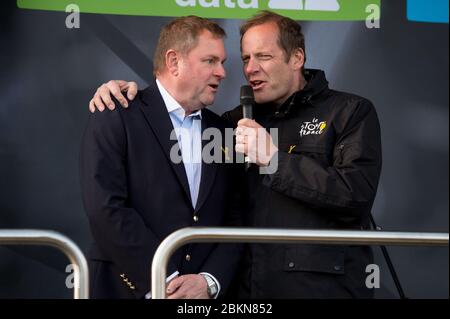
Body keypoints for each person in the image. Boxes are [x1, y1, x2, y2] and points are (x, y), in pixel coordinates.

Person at [88, 11, 382, 298]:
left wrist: (274, 161)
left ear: (297, 58)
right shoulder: (230, 123)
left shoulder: (349, 112)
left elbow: (355, 196)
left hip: (319, 289)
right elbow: (227, 215)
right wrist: (122, 91)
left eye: (263, 56)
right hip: (243, 293)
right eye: (245, 58)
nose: (249, 68)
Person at [80, 16, 242, 299]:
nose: (222, 73)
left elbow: (237, 219)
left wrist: (208, 281)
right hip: (125, 289)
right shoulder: (116, 113)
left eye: (222, 62)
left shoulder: (225, 131)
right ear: (173, 61)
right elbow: (105, 208)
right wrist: (163, 279)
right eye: (210, 61)